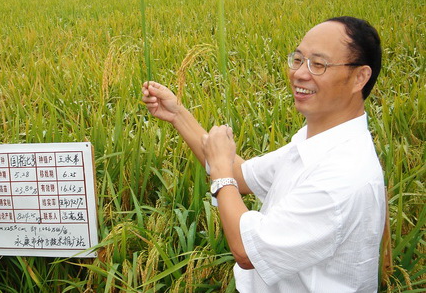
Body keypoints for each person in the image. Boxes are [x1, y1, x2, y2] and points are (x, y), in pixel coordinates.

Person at [141, 16, 385, 292]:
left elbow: (247, 251)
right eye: (298, 59)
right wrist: (178, 115)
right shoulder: (314, 144)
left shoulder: (341, 175)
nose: (300, 74)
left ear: (359, 77)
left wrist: (220, 172)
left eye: (318, 64)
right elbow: (241, 176)